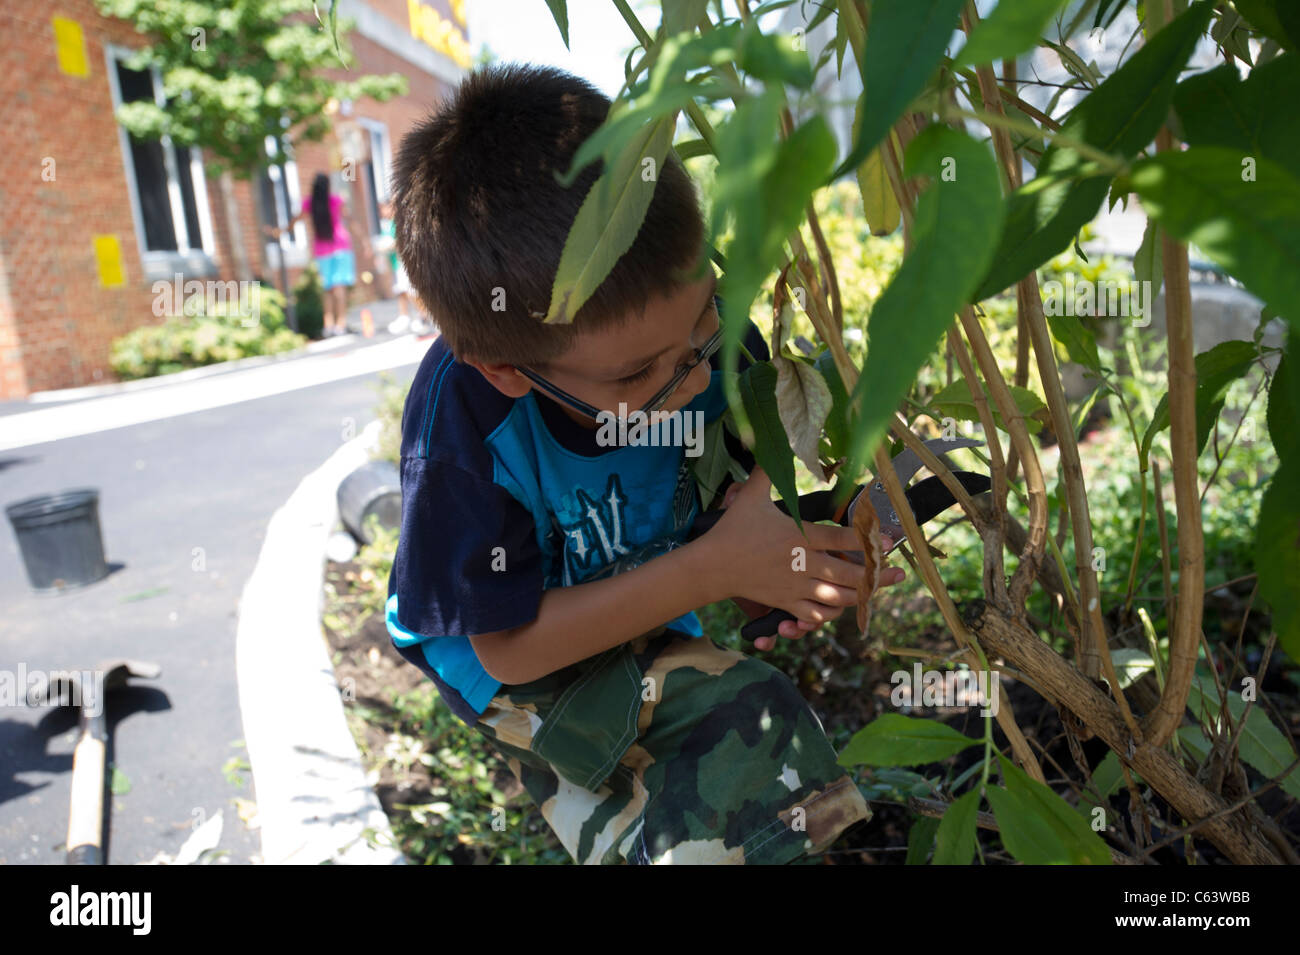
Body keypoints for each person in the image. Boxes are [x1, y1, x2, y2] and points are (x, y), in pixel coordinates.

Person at [383, 63, 905, 865]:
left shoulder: (708, 349)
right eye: (636, 376)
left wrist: (795, 556)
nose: (696, 378)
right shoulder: (465, 430)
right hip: (509, 648)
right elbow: (510, 647)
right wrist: (708, 570)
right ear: (506, 369)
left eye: (704, 322)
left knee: (697, 712)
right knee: (733, 725)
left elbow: (740, 506)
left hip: (640, 578)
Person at [264, 173, 355, 337]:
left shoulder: (309, 203)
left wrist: (280, 232)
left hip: (322, 249)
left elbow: (295, 221)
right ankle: (341, 324)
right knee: (339, 287)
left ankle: (329, 326)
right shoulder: (336, 200)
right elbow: (350, 218)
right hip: (340, 245)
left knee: (327, 288)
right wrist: (363, 240)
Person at [375, 199, 433, 336]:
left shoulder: (399, 224)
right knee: (401, 291)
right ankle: (405, 316)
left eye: (384, 208)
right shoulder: (387, 226)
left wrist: (389, 245)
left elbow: (401, 242)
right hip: (396, 264)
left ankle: (425, 316)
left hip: (404, 263)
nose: (382, 212)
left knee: (410, 291)